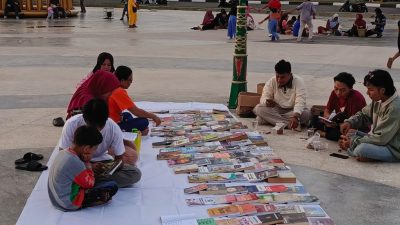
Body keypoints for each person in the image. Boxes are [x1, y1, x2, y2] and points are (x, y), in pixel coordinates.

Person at [61, 99, 142, 186]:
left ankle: (87, 181)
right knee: (65, 171)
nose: (95, 130)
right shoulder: (72, 124)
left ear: (107, 118)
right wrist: (88, 166)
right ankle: (88, 181)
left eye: (99, 127)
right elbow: (64, 156)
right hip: (77, 163)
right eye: (92, 126)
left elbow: (119, 159)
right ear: (84, 118)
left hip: (103, 162)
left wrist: (108, 169)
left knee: (135, 173)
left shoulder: (113, 128)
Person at [49, 126, 118, 211]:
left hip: (56, 199)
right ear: (86, 148)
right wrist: (88, 163)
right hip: (68, 203)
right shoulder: (75, 162)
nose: (94, 152)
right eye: (94, 149)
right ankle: (93, 200)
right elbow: (90, 184)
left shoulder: (64, 152)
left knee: (102, 180)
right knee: (112, 185)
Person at [339, 70, 400, 162]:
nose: (367, 93)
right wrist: (350, 122)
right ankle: (364, 154)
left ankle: (364, 154)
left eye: (371, 90)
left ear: (382, 90)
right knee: (351, 132)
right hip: (382, 140)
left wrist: (352, 143)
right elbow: (363, 114)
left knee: (362, 149)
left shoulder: (395, 108)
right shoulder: (378, 101)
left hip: (393, 148)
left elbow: (380, 138)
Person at [253, 59, 311, 131]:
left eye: (282, 77)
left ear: (289, 74)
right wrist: (266, 102)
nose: (279, 80)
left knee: (306, 114)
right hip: (277, 109)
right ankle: (291, 124)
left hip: (292, 111)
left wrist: (295, 116)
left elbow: (300, 101)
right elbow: (264, 97)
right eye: (277, 76)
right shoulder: (272, 81)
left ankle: (271, 121)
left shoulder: (299, 82)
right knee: (259, 108)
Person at [313, 72, 367, 141]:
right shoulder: (334, 93)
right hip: (338, 122)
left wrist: (339, 125)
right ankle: (329, 132)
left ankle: (324, 134)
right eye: (336, 88)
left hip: (352, 126)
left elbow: (356, 121)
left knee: (343, 134)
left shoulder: (356, 98)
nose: (338, 93)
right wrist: (328, 119)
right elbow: (328, 109)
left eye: (343, 90)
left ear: (350, 88)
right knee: (314, 119)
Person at [108, 66, 161, 135]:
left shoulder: (113, 87)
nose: (131, 82)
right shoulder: (119, 91)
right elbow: (136, 112)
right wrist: (153, 116)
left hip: (110, 121)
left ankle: (130, 128)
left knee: (127, 115)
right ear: (122, 80)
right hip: (113, 126)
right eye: (129, 80)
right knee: (144, 122)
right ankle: (133, 132)